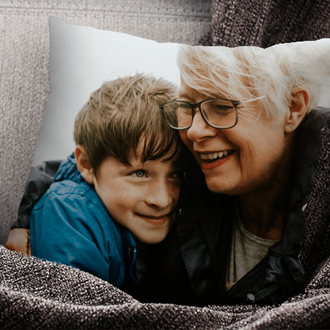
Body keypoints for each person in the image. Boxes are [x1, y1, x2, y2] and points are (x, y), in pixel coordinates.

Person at [134, 39, 330, 306]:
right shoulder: (174, 174)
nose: (194, 131)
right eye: (187, 107)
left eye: (222, 107)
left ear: (292, 107)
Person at [27, 74, 186, 290]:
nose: (163, 199)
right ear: (87, 165)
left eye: (176, 174)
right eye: (140, 174)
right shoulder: (71, 211)